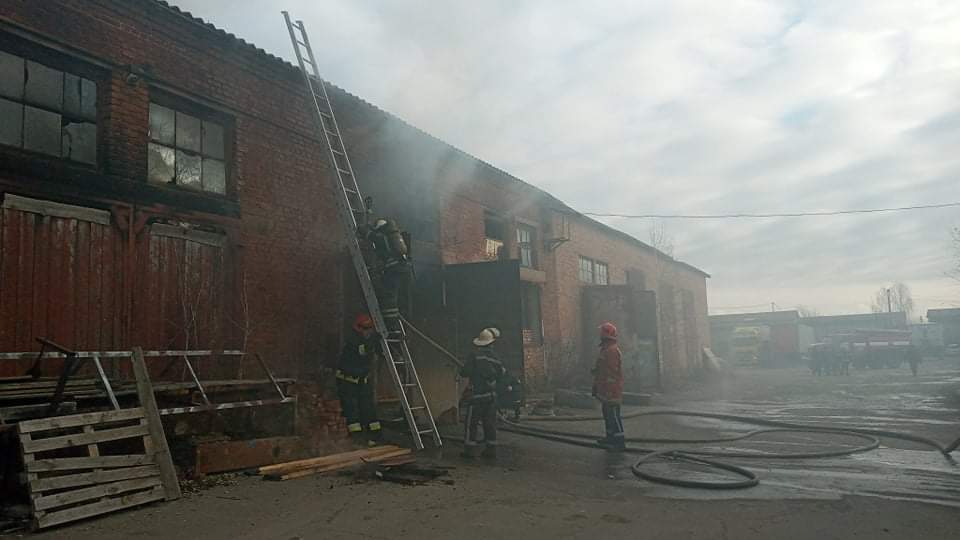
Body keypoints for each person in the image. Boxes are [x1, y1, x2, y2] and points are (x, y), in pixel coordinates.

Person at [460, 327, 505, 459]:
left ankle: (469, 451)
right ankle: (491, 450)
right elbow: (502, 375)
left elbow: (465, 372)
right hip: (491, 397)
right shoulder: (496, 358)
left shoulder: (474, 356)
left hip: (477, 397)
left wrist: (463, 369)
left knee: (471, 424)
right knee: (490, 424)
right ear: (492, 343)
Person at [337, 314, 382, 446]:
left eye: (370, 329)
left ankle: (375, 435)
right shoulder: (352, 341)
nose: (368, 332)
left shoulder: (368, 339)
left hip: (362, 380)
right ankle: (356, 438)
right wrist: (374, 341)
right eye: (366, 329)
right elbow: (362, 350)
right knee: (352, 409)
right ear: (359, 329)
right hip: (348, 381)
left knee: (368, 407)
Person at [363, 218, 413, 331]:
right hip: (402, 269)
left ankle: (391, 326)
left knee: (387, 296)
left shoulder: (383, 237)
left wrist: (363, 230)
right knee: (394, 296)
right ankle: (395, 324)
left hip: (393, 270)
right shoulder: (395, 236)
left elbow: (372, 236)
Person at [592, 322, 625, 451]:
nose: (599, 334)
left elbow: (611, 371)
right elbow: (603, 369)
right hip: (606, 389)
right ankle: (610, 438)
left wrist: (607, 388)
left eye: (602, 332)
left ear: (606, 334)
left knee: (613, 415)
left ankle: (619, 442)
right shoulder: (606, 349)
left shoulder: (611, 351)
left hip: (611, 389)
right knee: (607, 413)